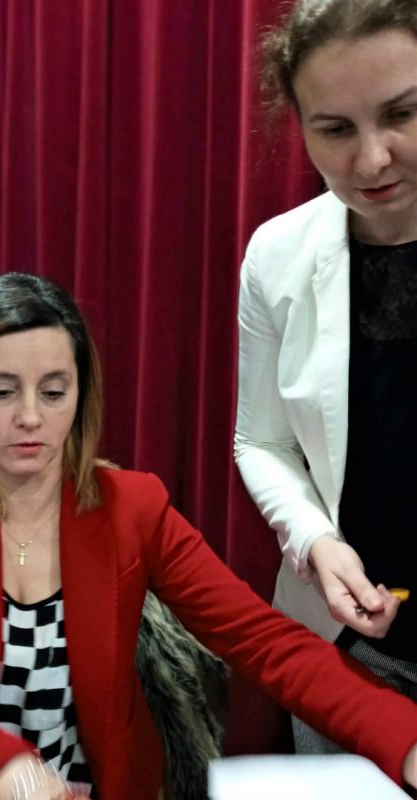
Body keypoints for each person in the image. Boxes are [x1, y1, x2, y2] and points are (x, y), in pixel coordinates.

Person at [0, 275, 417, 800]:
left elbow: (268, 644)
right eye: (2, 392)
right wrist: (3, 771)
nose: (30, 417)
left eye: (53, 392)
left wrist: (406, 738)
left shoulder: (132, 507)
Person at [235, 0, 417, 756]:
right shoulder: (276, 256)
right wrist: (314, 540)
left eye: (402, 114)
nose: (371, 161)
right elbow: (260, 441)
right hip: (347, 652)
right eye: (335, 129)